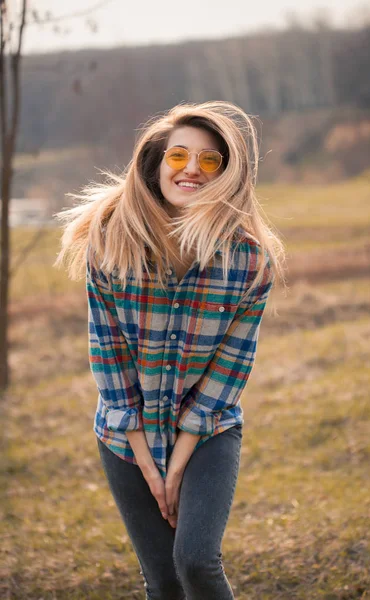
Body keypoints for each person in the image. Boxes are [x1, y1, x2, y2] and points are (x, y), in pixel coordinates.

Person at [54, 100, 286, 600]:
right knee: (161, 580)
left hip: (207, 431)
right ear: (157, 162)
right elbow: (109, 353)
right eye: (179, 156)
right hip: (125, 435)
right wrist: (145, 458)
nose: (191, 170)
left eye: (210, 161)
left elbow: (231, 366)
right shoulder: (111, 243)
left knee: (196, 563)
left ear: (228, 175)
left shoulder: (249, 262)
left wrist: (178, 463)